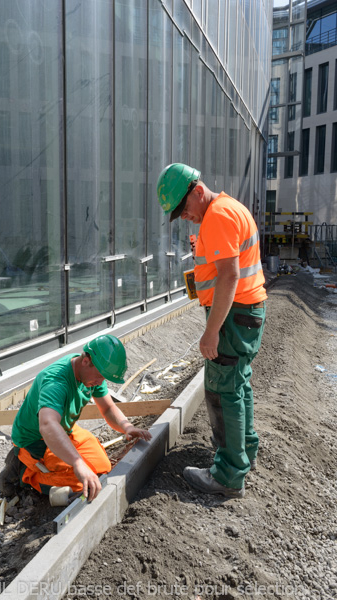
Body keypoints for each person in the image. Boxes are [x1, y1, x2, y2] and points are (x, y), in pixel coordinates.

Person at [157, 163, 267, 498]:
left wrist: (211, 332)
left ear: (197, 191)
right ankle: (243, 451)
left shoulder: (218, 216)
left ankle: (228, 475)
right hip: (246, 313)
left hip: (233, 317)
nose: (184, 216)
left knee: (223, 390)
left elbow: (229, 276)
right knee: (238, 383)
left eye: (184, 208)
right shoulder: (227, 209)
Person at [0, 334, 151, 503]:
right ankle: (23, 471)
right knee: (83, 483)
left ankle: (56, 463)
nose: (101, 382)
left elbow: (108, 408)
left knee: (102, 467)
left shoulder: (91, 375)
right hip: (36, 440)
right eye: (100, 376)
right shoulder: (56, 382)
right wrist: (78, 464)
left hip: (63, 428)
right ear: (86, 360)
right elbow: (48, 425)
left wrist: (127, 427)